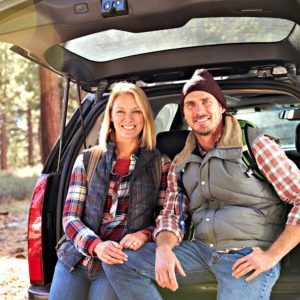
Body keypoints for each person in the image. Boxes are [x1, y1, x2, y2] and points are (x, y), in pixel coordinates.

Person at [103, 69, 300, 300]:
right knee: (120, 262)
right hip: (200, 251)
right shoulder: (181, 160)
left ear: (221, 107)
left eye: (206, 101)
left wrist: (271, 256)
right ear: (185, 114)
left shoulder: (254, 144)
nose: (199, 111)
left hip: (247, 255)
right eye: (190, 105)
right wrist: (164, 248)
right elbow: (171, 214)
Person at [49, 82, 171, 300]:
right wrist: (96, 245)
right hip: (75, 259)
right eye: (121, 112)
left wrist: (144, 235)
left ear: (145, 117)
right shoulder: (88, 159)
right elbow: (70, 218)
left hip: (116, 267)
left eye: (136, 112)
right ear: (111, 117)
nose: (128, 119)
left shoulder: (160, 165)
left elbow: (164, 217)